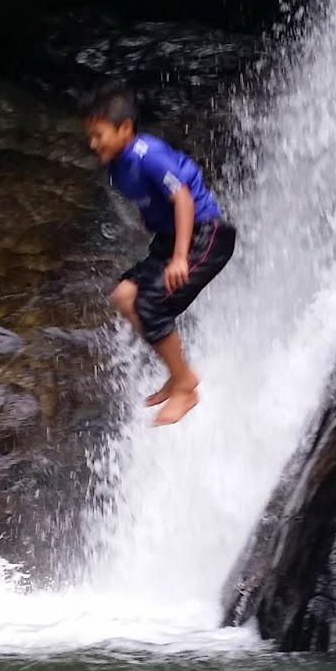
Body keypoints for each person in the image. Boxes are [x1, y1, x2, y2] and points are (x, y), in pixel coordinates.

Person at [85, 85, 235, 426]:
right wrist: (149, 224)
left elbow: (182, 198)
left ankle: (186, 385)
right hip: (170, 239)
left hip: (206, 235)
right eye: (90, 136)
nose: (93, 144)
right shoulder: (115, 167)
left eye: (99, 135)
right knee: (125, 296)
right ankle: (176, 372)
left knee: (149, 304)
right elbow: (150, 202)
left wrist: (180, 257)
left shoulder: (146, 154)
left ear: (124, 129)